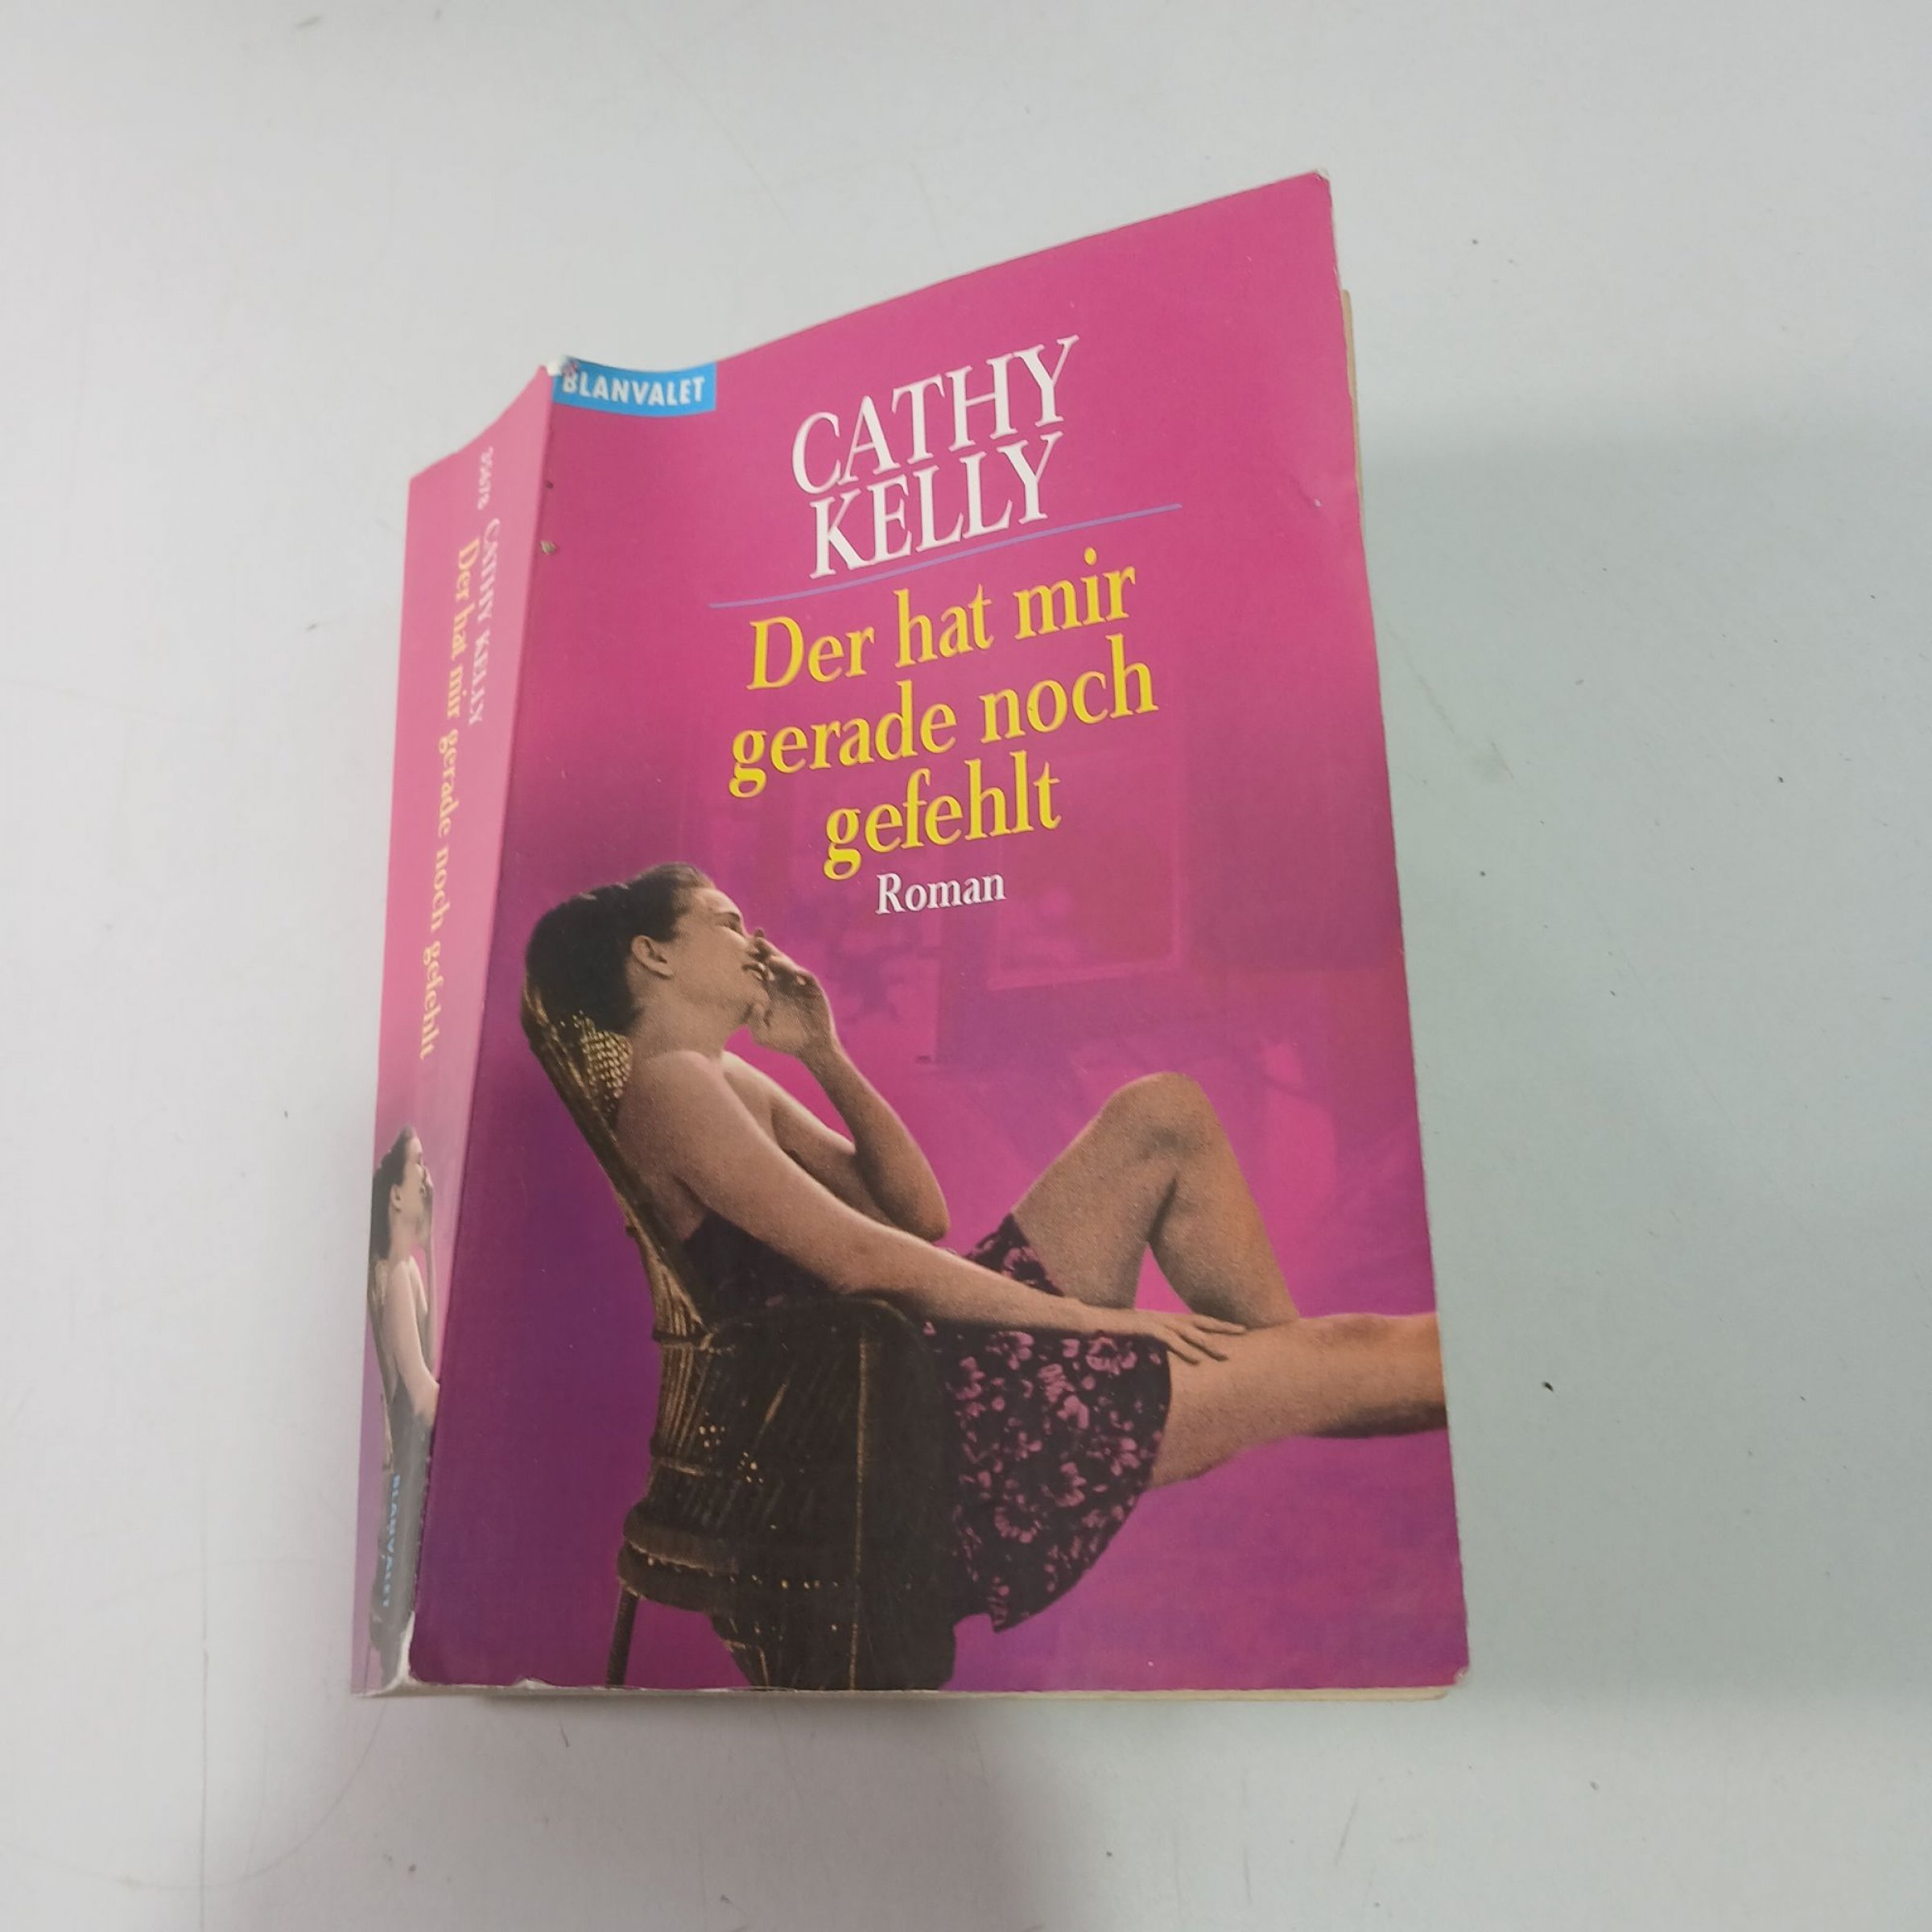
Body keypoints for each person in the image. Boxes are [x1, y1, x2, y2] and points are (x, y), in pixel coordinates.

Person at [526, 865, 1445, 1633]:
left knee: (1161, 1111)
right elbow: (863, 1263)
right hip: (922, 1418)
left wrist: (823, 1054)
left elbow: (915, 1215)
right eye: (727, 923)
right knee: (1343, 1354)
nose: (754, 941)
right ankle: (1297, 1379)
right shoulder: (672, 1088)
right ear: (655, 954)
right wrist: (1093, 1324)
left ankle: (1280, 1383)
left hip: (926, 1359)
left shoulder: (719, 1076)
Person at [366, 1126, 439, 1680]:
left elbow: (431, 1361)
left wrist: (430, 1248)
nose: (428, 1176)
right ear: (396, 1194)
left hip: (414, 1456)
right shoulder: (393, 1283)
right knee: (398, 1618)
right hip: (409, 1466)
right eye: (419, 1163)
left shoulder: (408, 1271)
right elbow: (420, 1392)